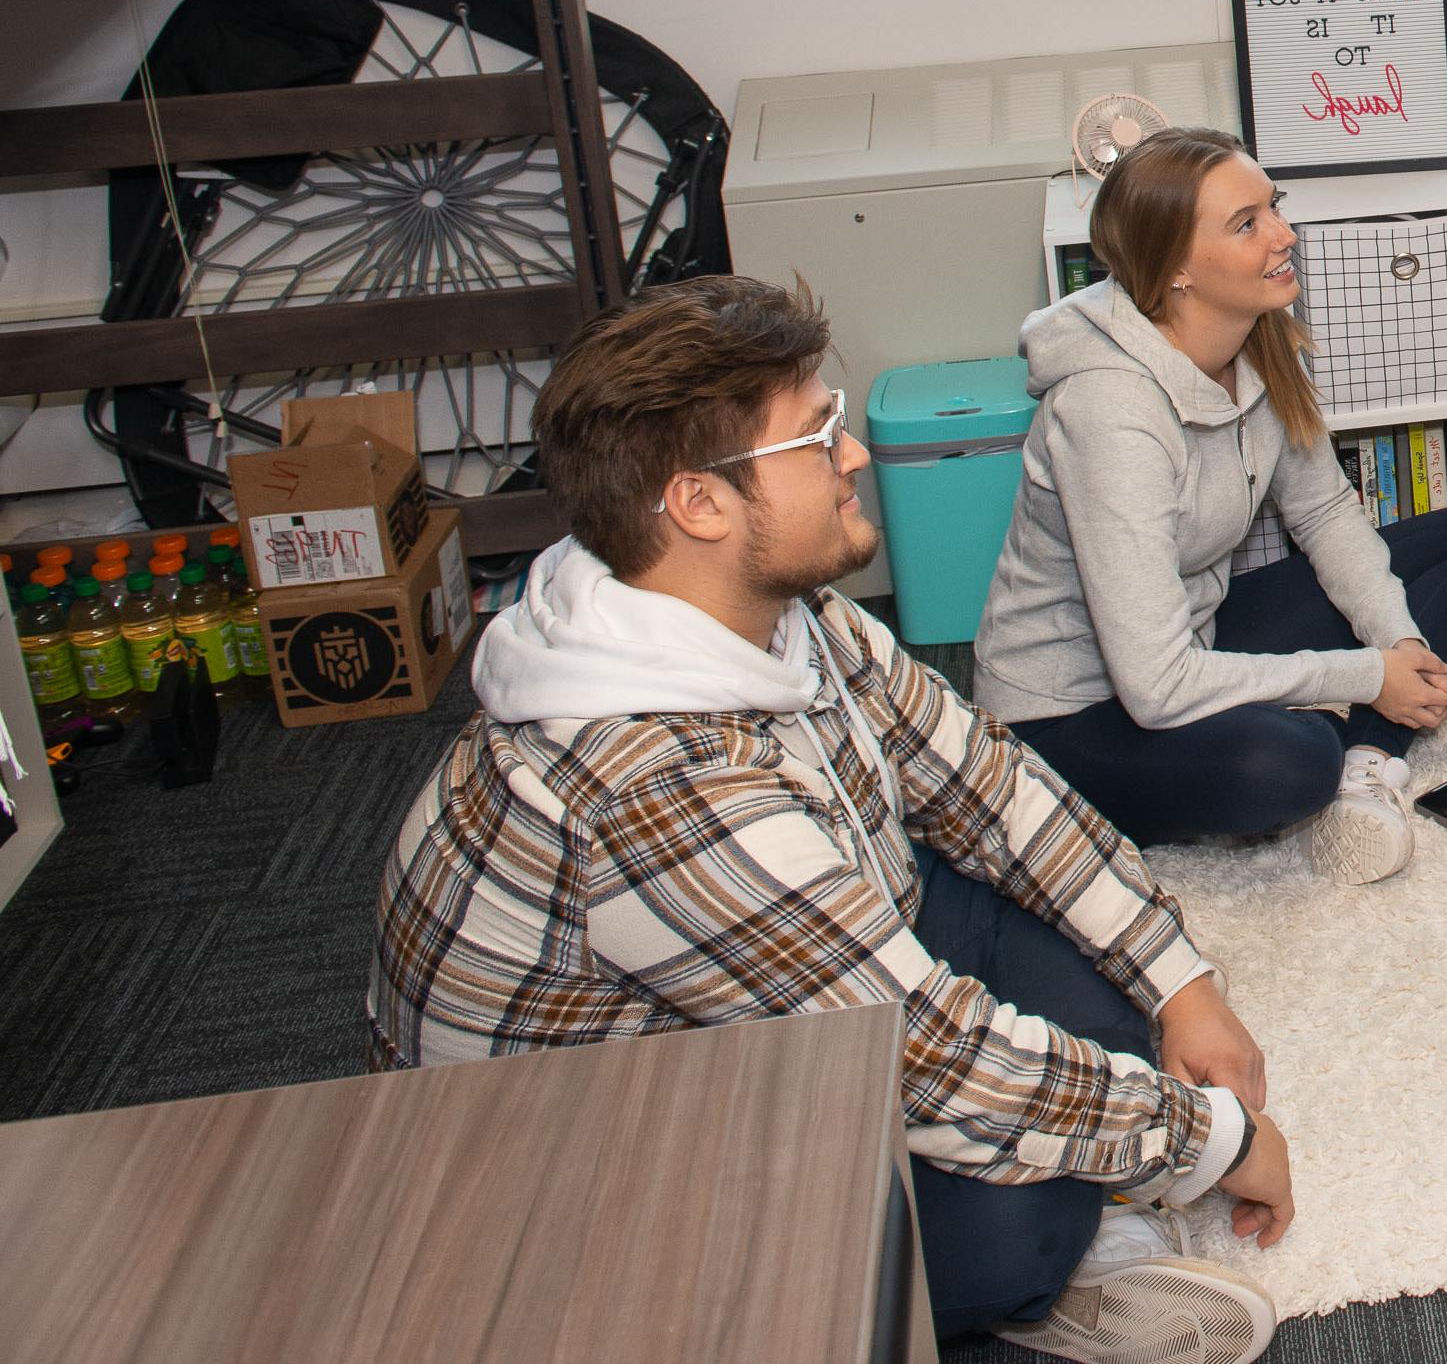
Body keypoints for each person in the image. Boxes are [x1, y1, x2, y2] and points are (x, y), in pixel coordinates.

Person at [368, 276, 1289, 1363]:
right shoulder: (648, 786)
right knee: (1021, 1219)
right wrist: (1212, 1141)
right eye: (816, 437)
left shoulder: (769, 607)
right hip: (600, 1192)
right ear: (700, 504)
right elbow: (928, 1060)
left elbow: (987, 782)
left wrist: (1179, 977)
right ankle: (1016, 1290)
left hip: (758, 1013)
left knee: (1101, 993)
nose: (852, 456)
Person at [977, 126, 1447, 884]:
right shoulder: (1108, 412)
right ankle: (1343, 747)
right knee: (1287, 765)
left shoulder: (1256, 337)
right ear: (1177, 271)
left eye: (1274, 207)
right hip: (1072, 712)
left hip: (1193, 634)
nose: (1284, 235)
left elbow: (1325, 513)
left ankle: (1369, 762)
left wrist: (1395, 644)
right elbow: (1156, 687)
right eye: (1247, 223)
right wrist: (1364, 678)